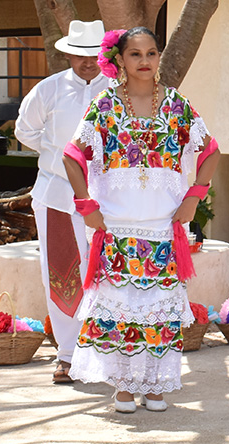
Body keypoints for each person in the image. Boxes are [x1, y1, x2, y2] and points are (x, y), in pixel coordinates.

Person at [63, 26, 219, 413]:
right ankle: (123, 386)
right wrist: (87, 205)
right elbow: (72, 155)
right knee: (122, 306)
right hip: (116, 226)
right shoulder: (104, 105)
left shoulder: (177, 105)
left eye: (151, 53)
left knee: (158, 307)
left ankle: (154, 384)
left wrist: (194, 198)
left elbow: (211, 151)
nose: (145, 61)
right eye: (135, 54)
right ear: (119, 60)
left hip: (163, 225)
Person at [15, 19, 113, 384]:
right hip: (57, 193)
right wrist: (59, 156)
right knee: (61, 273)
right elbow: (25, 130)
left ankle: (108, 352)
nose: (88, 62)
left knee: (109, 271)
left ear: (104, 54)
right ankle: (68, 355)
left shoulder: (118, 91)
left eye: (95, 55)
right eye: (81, 55)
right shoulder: (49, 90)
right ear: (69, 54)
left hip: (108, 197)